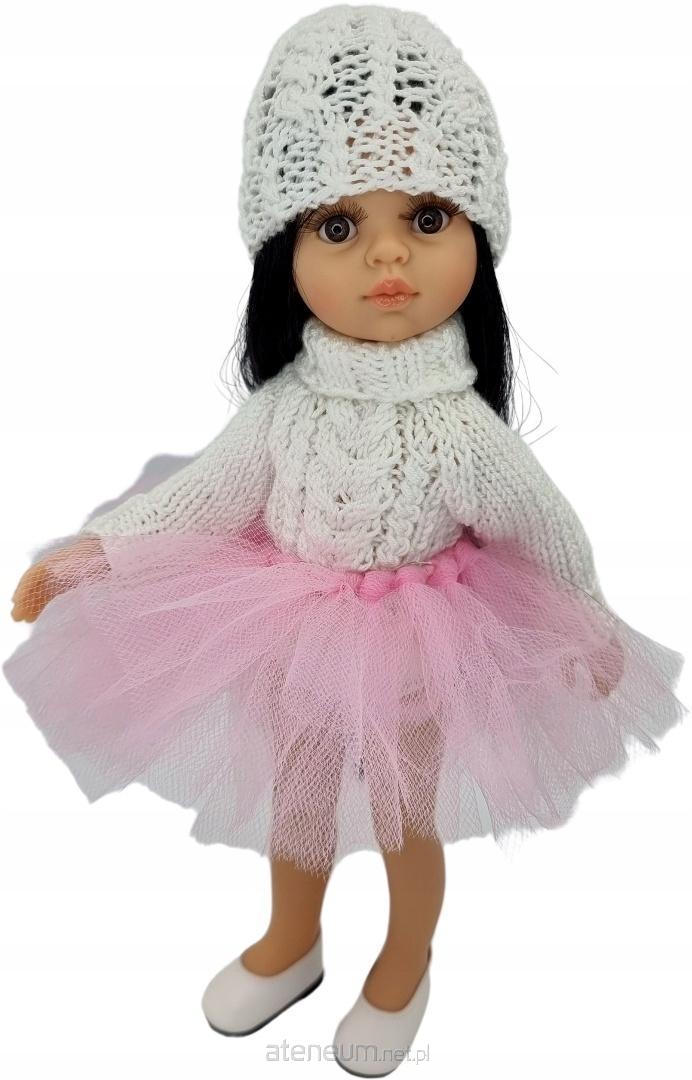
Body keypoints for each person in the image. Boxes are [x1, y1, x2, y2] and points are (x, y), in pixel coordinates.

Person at [4, 5, 688, 1075]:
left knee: (408, 815)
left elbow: (544, 525)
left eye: (426, 217)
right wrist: (99, 552)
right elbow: (204, 498)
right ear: (281, 252)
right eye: (337, 226)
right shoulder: (284, 407)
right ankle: (291, 941)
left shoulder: (459, 430)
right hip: (289, 630)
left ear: (480, 237)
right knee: (300, 797)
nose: (386, 254)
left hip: (422, 643)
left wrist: (585, 625)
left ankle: (404, 959)